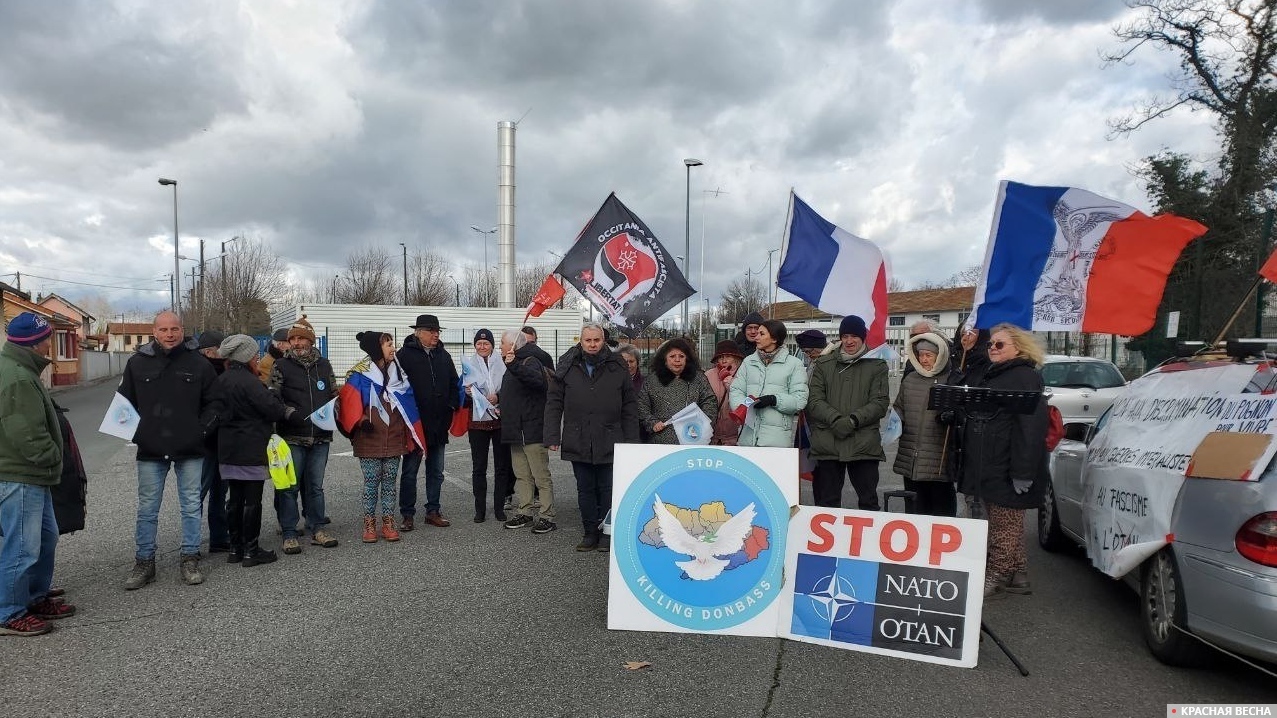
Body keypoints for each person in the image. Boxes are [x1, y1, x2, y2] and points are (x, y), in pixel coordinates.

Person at [118, 310, 218, 590]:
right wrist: (140, 436)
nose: (170, 334)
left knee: (190, 507)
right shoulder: (137, 364)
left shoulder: (199, 363)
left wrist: (201, 431)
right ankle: (144, 562)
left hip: (190, 448)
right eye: (163, 330)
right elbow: (123, 407)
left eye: (174, 329)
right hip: (151, 450)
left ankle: (190, 557)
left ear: (182, 330)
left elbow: (215, 402)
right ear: (154, 332)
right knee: (147, 509)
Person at [958, 323, 1049, 599]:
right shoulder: (994, 373)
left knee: (1003, 525)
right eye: (991, 344)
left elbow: (1030, 428)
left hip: (1007, 465)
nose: (992, 349)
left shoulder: (1024, 377)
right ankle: (1018, 575)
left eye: (999, 345)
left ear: (1018, 347)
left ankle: (996, 577)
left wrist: (1022, 471)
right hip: (990, 461)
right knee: (1005, 522)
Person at [0, 313, 72, 636]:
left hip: (30, 473)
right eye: (47, 338)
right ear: (35, 342)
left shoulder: (21, 368)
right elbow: (24, 432)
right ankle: (8, 612)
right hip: (21, 473)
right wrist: (54, 456)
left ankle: (33, 595)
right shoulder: (16, 376)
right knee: (21, 546)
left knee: (46, 536)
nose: (49, 343)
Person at [544, 323, 638, 552]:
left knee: (607, 488)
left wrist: (631, 441)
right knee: (584, 488)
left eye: (597, 340)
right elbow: (554, 402)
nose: (593, 344)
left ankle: (607, 534)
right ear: (581, 341)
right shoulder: (568, 365)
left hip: (611, 437)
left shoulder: (617, 365)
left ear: (603, 340)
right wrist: (552, 435)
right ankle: (589, 533)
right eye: (588, 340)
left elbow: (629, 404)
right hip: (578, 437)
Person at [215, 335, 296, 567]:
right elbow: (272, 410)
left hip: (228, 448)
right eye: (253, 354)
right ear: (244, 357)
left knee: (234, 499)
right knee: (252, 501)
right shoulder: (250, 382)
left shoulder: (222, 380)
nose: (257, 357)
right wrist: (274, 395)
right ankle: (251, 551)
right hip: (250, 447)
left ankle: (235, 548)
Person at [339, 331, 422, 543]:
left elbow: (408, 403)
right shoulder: (358, 375)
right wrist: (359, 422)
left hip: (394, 437)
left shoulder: (399, 374)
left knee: (389, 483)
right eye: (388, 345)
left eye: (392, 344)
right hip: (369, 438)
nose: (393, 348)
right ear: (377, 349)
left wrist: (410, 432)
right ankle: (369, 523)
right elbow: (346, 406)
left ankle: (388, 522)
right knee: (371, 482)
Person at [269, 315, 339, 553]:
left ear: (311, 341)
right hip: (292, 437)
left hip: (321, 436)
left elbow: (333, 394)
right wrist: (289, 414)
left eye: (302, 339)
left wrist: (335, 412)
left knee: (316, 486)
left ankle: (317, 527)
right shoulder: (281, 366)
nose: (297, 343)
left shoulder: (325, 365)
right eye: (293, 339)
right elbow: (273, 399)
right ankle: (289, 532)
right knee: (290, 487)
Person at [805, 315, 889, 509]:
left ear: (863, 337)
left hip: (863, 444)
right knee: (828, 503)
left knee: (868, 502)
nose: (849, 341)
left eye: (854, 336)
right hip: (828, 443)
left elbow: (880, 402)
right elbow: (814, 400)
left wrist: (853, 420)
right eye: (845, 336)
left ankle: (868, 539)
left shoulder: (877, 365)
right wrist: (835, 419)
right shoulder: (824, 364)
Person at [397, 314, 459, 530]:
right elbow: (396, 389)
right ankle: (407, 514)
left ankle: (433, 510)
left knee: (436, 471)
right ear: (418, 332)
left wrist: (451, 405)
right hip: (415, 425)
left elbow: (454, 382)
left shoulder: (444, 356)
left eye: (437, 331)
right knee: (410, 471)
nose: (436, 334)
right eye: (431, 331)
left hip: (439, 423)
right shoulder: (403, 356)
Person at [891, 332, 956, 517]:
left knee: (941, 512)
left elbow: (960, 415)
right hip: (910, 457)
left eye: (929, 355)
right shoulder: (910, 380)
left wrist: (950, 416)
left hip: (938, 460)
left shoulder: (950, 381)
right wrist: (897, 422)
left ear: (940, 356)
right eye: (921, 355)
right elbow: (898, 407)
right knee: (915, 512)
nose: (924, 359)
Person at [499, 329, 556, 534]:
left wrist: (513, 364)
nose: (500, 348)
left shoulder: (530, 361)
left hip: (531, 429)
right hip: (516, 431)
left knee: (540, 476)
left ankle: (547, 515)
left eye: (503, 344)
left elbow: (536, 381)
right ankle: (525, 511)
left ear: (513, 345)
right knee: (522, 475)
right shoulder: (511, 364)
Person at [729, 319, 808, 448]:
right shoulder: (748, 362)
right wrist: (743, 408)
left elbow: (800, 399)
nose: (756, 337)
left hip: (777, 441)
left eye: (762, 334)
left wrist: (774, 400)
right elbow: (736, 390)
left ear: (774, 339)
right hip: (748, 439)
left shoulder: (794, 364)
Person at [463, 328, 513, 523]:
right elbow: (462, 392)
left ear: (492, 345)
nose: (482, 346)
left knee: (502, 466)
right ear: (475, 346)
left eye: (486, 343)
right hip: (478, 420)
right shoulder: (469, 364)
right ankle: (480, 509)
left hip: (500, 419)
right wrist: (467, 393)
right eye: (479, 344)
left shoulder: (503, 363)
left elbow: (510, 387)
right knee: (479, 467)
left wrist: (498, 397)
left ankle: (500, 507)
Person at [946, 326, 993, 520]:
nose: (967, 336)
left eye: (972, 332)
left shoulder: (987, 362)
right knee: (968, 499)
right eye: (964, 331)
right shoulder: (952, 359)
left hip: (978, 440)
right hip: (956, 441)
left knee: (980, 506)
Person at [638, 338, 718, 446]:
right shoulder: (652, 380)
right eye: (672, 356)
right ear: (665, 360)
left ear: (687, 359)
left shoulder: (699, 378)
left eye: (681, 356)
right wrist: (652, 422)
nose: (677, 360)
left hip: (692, 437)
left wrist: (702, 423)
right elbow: (641, 406)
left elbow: (710, 402)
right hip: (661, 439)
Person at [195, 330, 230, 553]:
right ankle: (192, 543)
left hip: (222, 441)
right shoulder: (201, 372)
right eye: (222, 348)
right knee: (197, 494)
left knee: (219, 491)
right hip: (205, 444)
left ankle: (219, 537)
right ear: (210, 351)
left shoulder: (222, 370)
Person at [705, 341, 744, 446]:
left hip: (734, 435)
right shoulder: (708, 375)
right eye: (721, 356)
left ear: (735, 357)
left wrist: (733, 385)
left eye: (728, 356)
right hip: (712, 435)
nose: (723, 360)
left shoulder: (743, 374)